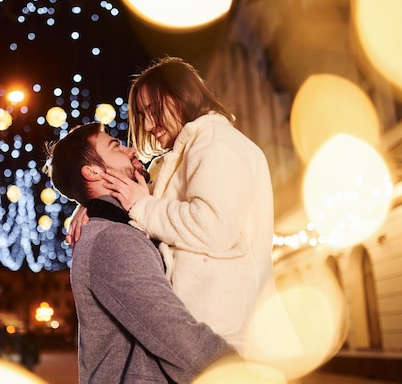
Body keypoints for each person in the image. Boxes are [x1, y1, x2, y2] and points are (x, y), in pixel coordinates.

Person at [67, 57, 276, 357]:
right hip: (205, 337)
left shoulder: (217, 142)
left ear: (183, 97)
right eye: (142, 114)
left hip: (230, 337)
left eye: (154, 110)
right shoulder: (177, 155)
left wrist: (142, 205)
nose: (149, 125)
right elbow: (143, 198)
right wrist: (93, 205)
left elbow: (213, 227)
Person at [44, 123, 235, 384]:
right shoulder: (113, 239)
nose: (131, 149)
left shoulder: (114, 228)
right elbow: (172, 331)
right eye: (116, 146)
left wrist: (91, 205)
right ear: (93, 171)